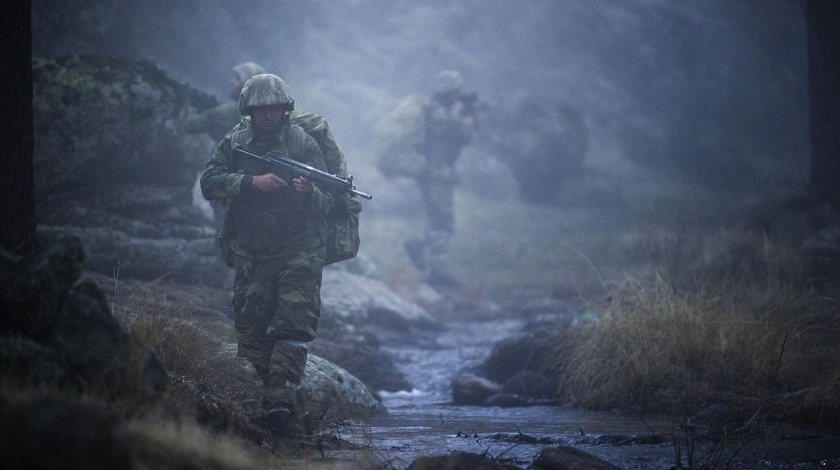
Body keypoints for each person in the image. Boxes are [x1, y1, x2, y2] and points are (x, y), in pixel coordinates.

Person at [199, 74, 333, 436]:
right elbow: (209, 182)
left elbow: (328, 200)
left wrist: (308, 192)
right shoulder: (235, 142)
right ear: (249, 111)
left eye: (275, 109)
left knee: (293, 323)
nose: (269, 116)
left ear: (284, 109)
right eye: (262, 110)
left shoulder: (302, 144)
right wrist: (249, 183)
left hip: (299, 250)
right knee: (253, 335)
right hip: (252, 252)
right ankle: (279, 400)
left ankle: (279, 404)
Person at [374, 70, 476, 287]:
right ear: (453, 92)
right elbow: (465, 137)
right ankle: (436, 270)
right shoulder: (443, 114)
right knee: (443, 222)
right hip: (437, 173)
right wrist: (468, 120)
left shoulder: (431, 109)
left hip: (426, 170)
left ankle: (428, 258)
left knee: (435, 219)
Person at [185, 61, 266, 143]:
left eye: (237, 79)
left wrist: (186, 106)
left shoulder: (233, 110)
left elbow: (190, 125)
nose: (232, 82)